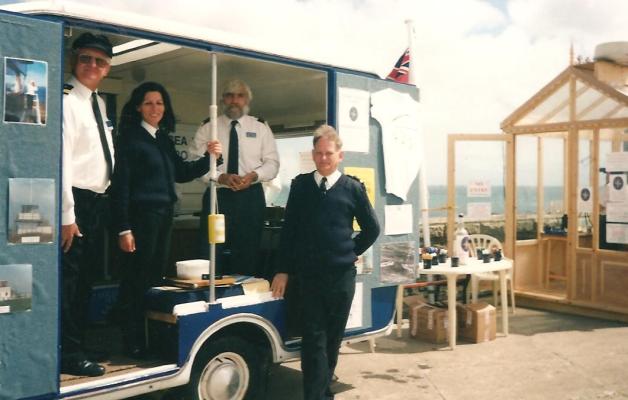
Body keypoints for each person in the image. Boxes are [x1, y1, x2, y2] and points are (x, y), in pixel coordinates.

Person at [110, 82, 221, 357]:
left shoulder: (162, 138)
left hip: (163, 217)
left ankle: (148, 336)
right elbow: (121, 187)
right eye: (149, 103)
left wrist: (211, 158)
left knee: (154, 279)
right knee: (136, 279)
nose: (155, 108)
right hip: (141, 218)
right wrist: (123, 227)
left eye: (159, 103)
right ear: (138, 107)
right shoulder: (130, 139)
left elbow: (181, 172)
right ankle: (132, 340)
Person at [270, 125, 380, 400]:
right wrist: (282, 270)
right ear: (313, 154)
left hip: (341, 277)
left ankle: (322, 390)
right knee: (313, 340)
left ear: (339, 155)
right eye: (318, 153)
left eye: (328, 153)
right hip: (309, 277)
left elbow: (372, 228)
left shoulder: (353, 188)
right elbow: (289, 232)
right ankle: (316, 395)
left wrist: (351, 251)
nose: (323, 158)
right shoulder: (300, 186)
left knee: (332, 339)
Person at [60, 32, 115, 377]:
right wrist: (67, 215)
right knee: (70, 283)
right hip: (76, 203)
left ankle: (76, 342)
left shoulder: (97, 102)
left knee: (87, 282)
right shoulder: (66, 100)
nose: (92, 65)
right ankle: (68, 353)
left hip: (97, 203)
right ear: (73, 60)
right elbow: (62, 160)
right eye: (86, 59)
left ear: (108, 68)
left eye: (100, 61)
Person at [189, 79, 279, 276]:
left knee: (247, 255)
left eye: (240, 96)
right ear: (222, 100)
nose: (234, 100)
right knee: (211, 254)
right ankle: (211, 301)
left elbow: (272, 164)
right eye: (229, 95)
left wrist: (255, 175)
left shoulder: (261, 127)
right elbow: (195, 165)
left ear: (247, 100)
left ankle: (242, 299)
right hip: (218, 198)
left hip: (251, 198)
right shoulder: (208, 128)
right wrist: (220, 177)